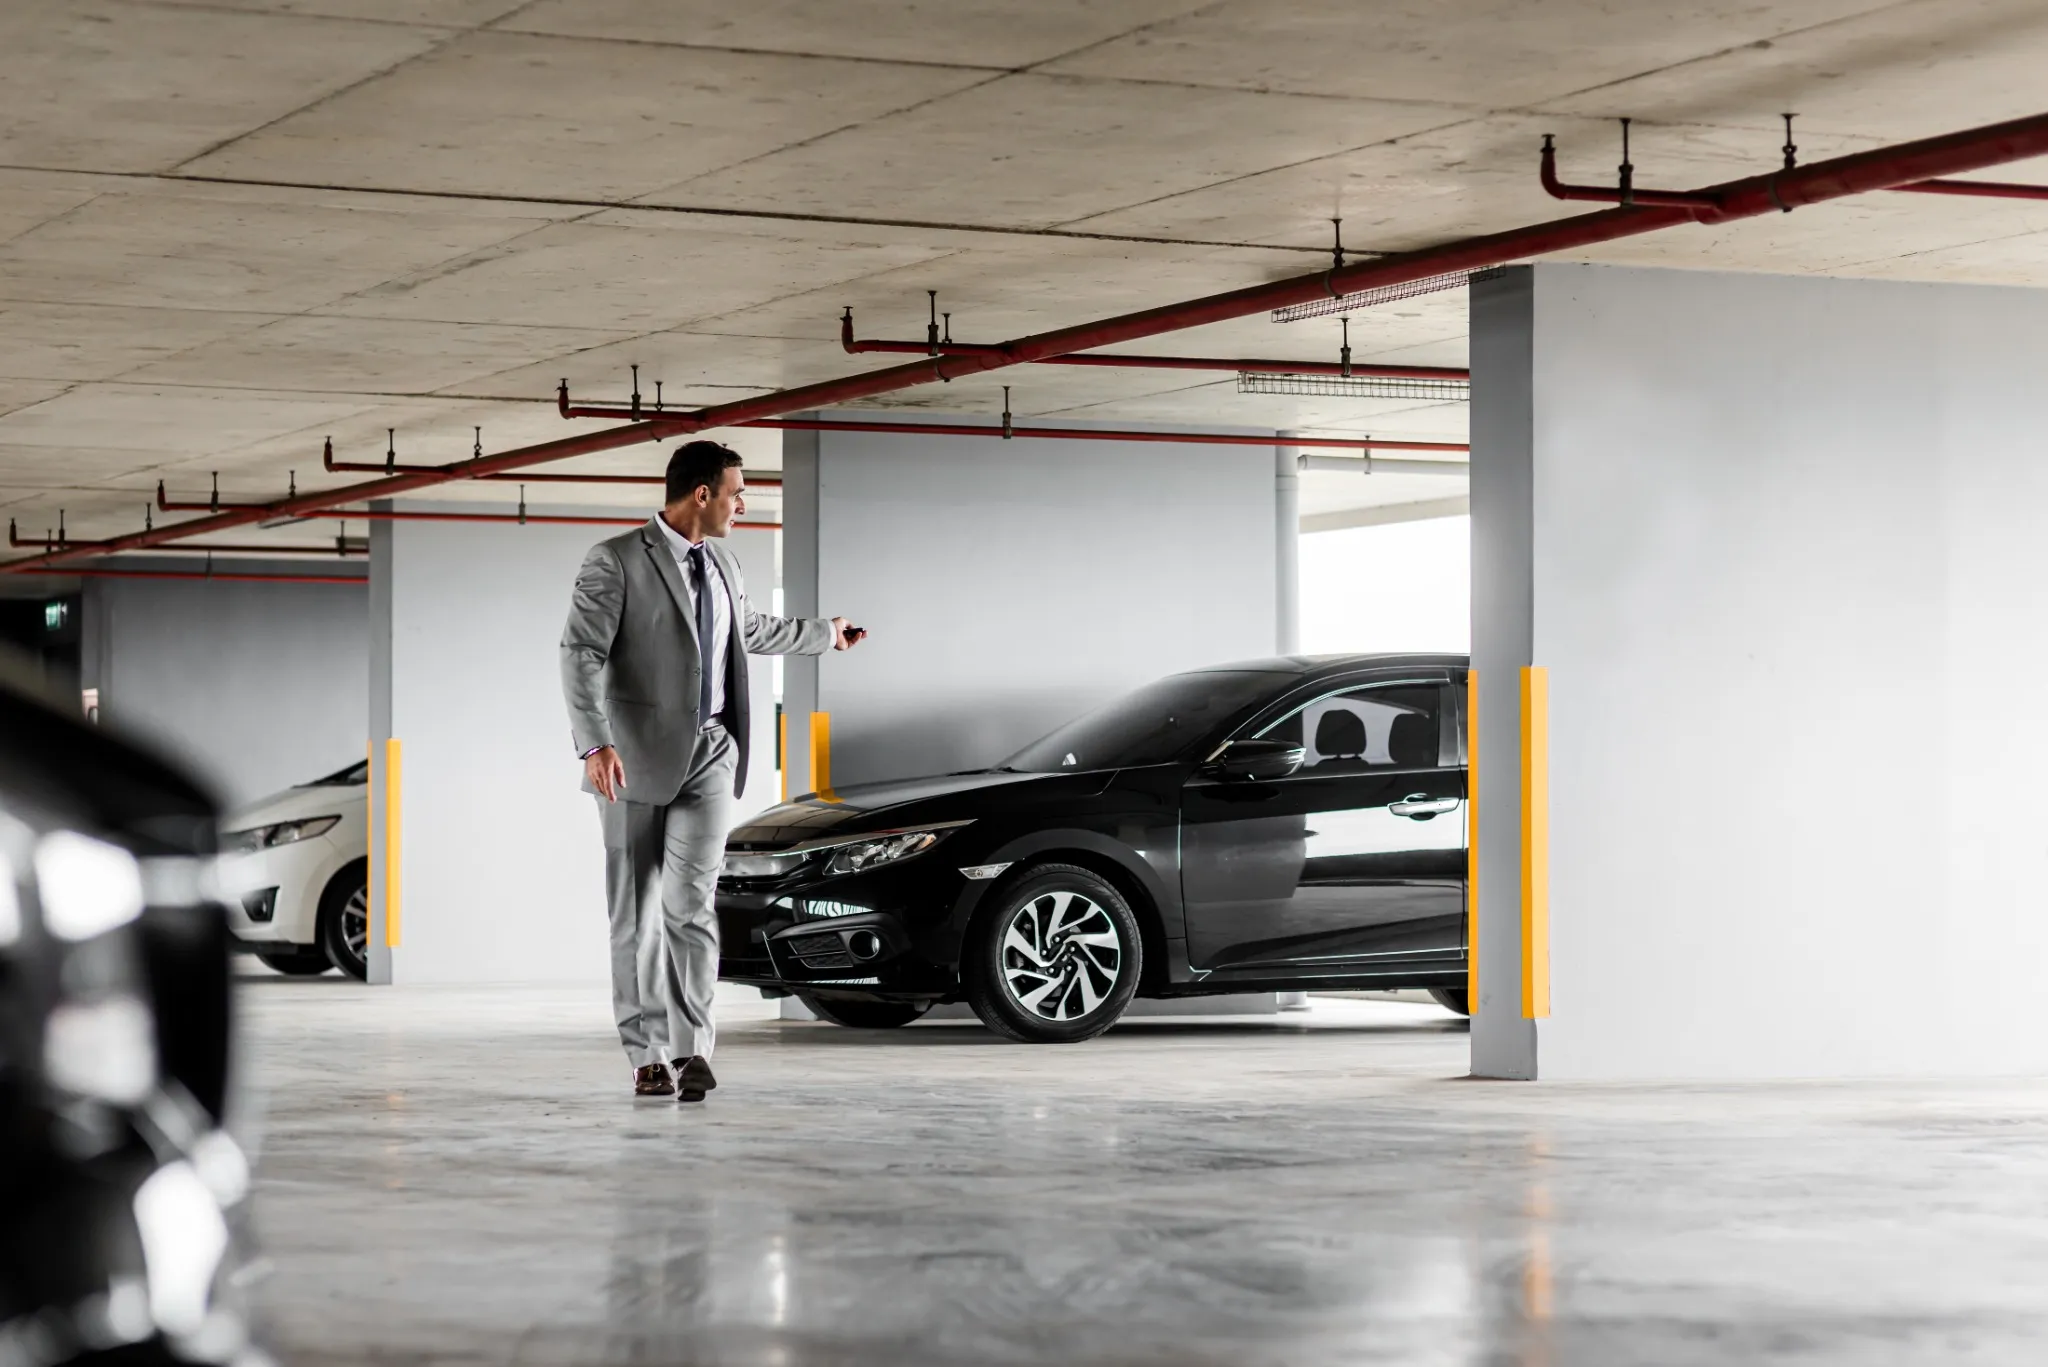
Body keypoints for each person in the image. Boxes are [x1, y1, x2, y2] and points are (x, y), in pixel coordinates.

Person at [560, 440, 858, 1102]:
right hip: (631, 761)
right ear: (702, 494)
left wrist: (824, 633)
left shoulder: (724, 562)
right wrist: (594, 744)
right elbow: (579, 653)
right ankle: (645, 1053)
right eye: (736, 492)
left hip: (713, 752)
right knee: (636, 913)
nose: (742, 505)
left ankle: (692, 1048)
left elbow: (746, 630)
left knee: (691, 905)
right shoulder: (616, 560)